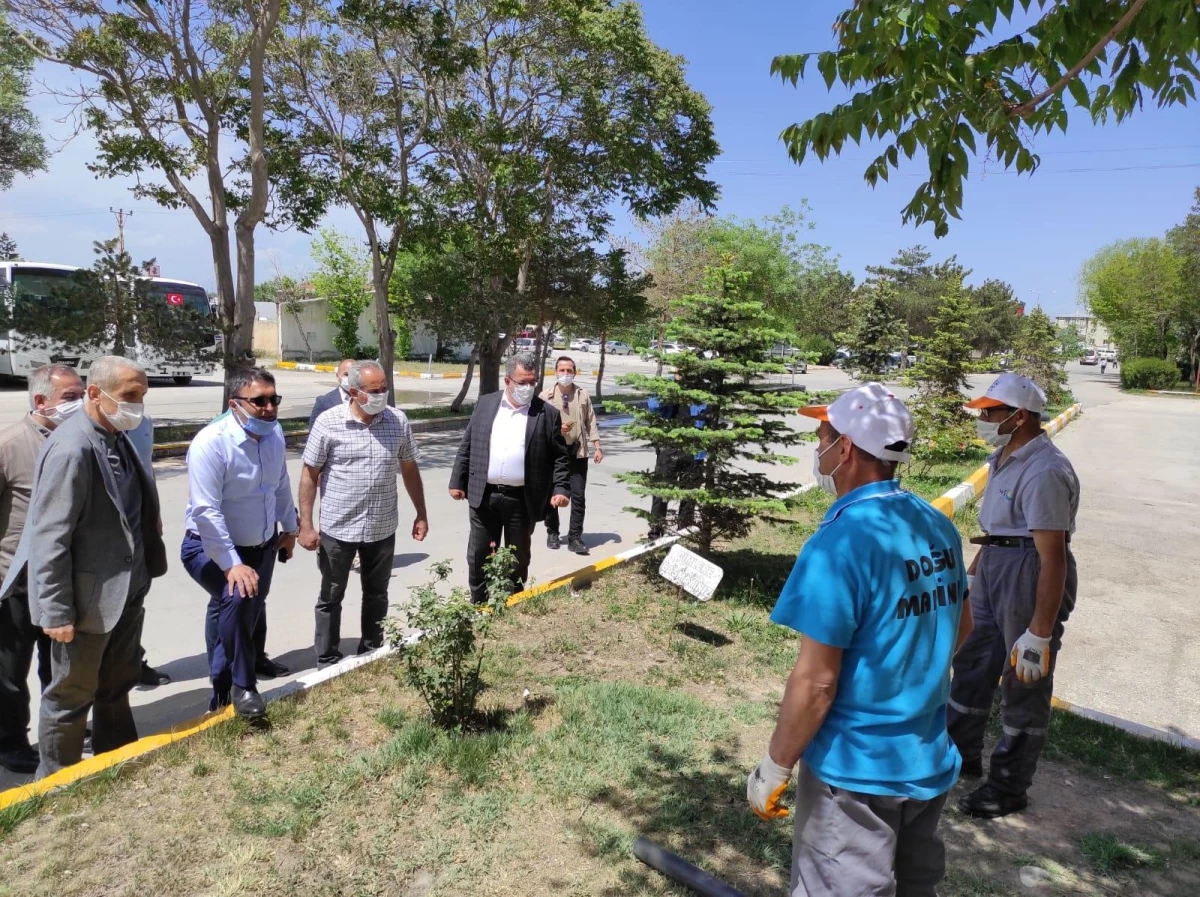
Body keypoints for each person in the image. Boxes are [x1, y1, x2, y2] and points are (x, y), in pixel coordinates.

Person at [747, 384, 971, 897]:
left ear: (845, 448)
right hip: (925, 756)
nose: (818, 446)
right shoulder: (935, 523)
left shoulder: (841, 541)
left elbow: (817, 681)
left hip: (855, 774)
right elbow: (963, 627)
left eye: (822, 435)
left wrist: (776, 765)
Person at [0, 356, 167, 777]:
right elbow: (48, 537)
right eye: (130, 396)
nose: (138, 405)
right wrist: (55, 612)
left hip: (125, 592)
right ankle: (58, 783)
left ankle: (116, 764)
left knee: (116, 685)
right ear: (96, 394)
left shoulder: (115, 434)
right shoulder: (73, 447)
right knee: (70, 697)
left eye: (142, 396)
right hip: (87, 602)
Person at [950, 373, 1080, 819]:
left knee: (1024, 680)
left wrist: (1039, 633)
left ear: (1019, 416)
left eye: (991, 412)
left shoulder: (1045, 470)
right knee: (971, 661)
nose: (982, 418)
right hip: (993, 567)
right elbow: (995, 533)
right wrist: (971, 580)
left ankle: (1008, 786)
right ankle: (959, 754)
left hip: (1029, 574)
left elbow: (1053, 557)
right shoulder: (1004, 454)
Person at [181, 368, 298, 719]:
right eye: (258, 400)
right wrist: (231, 563)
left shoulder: (275, 434)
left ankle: (220, 697)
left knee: (239, 615)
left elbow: (279, 486)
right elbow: (206, 510)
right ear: (234, 404)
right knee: (236, 599)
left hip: (260, 547)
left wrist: (290, 528)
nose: (268, 407)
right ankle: (243, 687)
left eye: (273, 399)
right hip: (208, 547)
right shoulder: (211, 442)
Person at [299, 361, 428, 668]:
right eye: (374, 390)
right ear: (354, 392)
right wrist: (305, 524)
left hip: (381, 528)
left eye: (385, 388)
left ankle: (371, 650)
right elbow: (309, 475)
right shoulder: (329, 422)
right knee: (331, 595)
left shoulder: (397, 421)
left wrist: (421, 513)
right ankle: (327, 658)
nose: (382, 394)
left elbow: (409, 469)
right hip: (337, 530)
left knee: (377, 593)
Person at [0, 364, 85, 773]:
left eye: (82, 394)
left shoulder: (82, 439)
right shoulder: (11, 445)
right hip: (15, 584)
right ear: (40, 402)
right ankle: (10, 742)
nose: (81, 403)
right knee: (10, 674)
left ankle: (62, 729)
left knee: (61, 666)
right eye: (70, 398)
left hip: (65, 580)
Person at [449, 352, 570, 604]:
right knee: (480, 553)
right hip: (484, 495)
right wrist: (457, 481)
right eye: (522, 382)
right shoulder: (486, 404)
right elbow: (468, 444)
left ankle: (511, 602)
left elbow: (560, 457)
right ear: (507, 381)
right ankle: (479, 603)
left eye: (532, 382)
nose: (528, 388)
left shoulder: (546, 414)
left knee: (518, 557)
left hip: (522, 501)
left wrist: (560, 489)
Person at [125, 412, 171, 689]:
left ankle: (132, 662)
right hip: (104, 532)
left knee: (135, 599)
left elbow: (147, 467)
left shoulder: (143, 422)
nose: (135, 401)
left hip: (141, 526)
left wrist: (155, 512)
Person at [540, 356, 602, 555]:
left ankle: (575, 537)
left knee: (578, 496)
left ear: (574, 372)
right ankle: (553, 532)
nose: (565, 374)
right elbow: (537, 425)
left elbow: (591, 421)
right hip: (553, 454)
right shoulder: (545, 396)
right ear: (555, 371)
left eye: (569, 370)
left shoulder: (582, 395)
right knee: (553, 494)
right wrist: (557, 428)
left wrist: (597, 446)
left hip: (577, 452)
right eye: (562, 370)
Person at [307, 358, 356, 433]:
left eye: (354, 374)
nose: (350, 378)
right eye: (346, 374)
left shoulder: (365, 398)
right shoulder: (324, 402)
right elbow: (313, 433)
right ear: (338, 376)